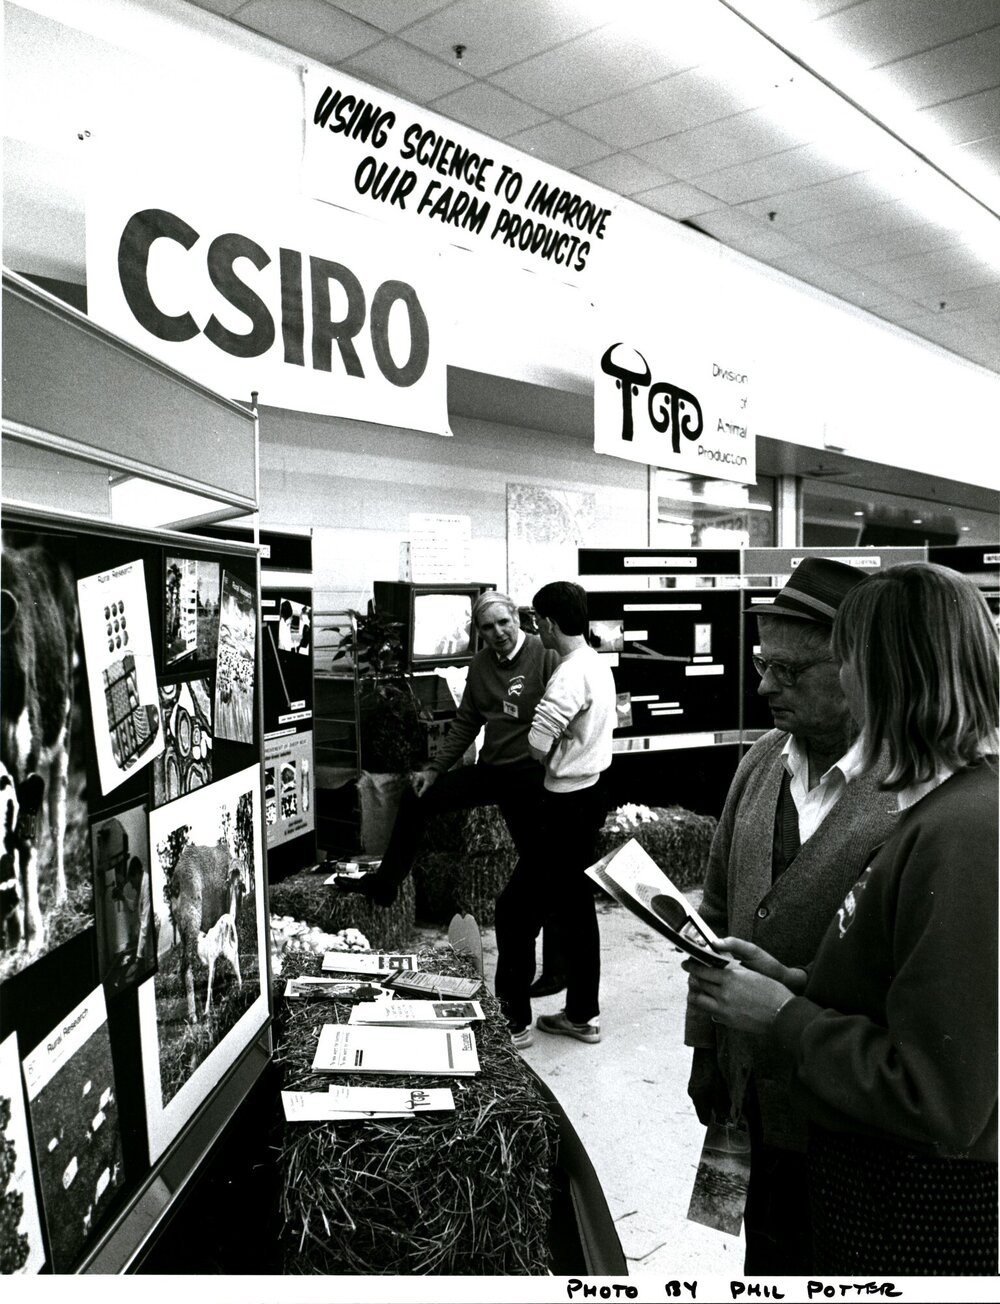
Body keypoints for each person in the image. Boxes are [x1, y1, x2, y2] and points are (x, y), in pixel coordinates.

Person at [687, 562, 998, 1276]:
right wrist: (786, 987)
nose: (767, 685)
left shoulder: (962, 828)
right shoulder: (933, 806)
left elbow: (941, 1096)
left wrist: (785, 1015)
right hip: (825, 1149)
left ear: (889, 671)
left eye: (843, 662)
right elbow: (895, 987)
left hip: (908, 1204)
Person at [684, 556, 897, 1275]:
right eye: (762, 663)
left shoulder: (910, 793)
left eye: (791, 670)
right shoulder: (761, 762)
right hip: (754, 1101)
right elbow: (714, 908)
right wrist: (707, 1047)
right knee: (769, 1258)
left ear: (858, 667)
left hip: (853, 1122)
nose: (764, 685)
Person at [335, 592, 560, 915]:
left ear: (516, 617)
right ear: (478, 632)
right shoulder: (481, 664)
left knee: (535, 857)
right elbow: (467, 722)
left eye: (503, 622)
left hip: (531, 772)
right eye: (487, 627)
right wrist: (434, 769)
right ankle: (385, 885)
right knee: (417, 797)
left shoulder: (545, 654)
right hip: (494, 769)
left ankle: (541, 921)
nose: (498, 633)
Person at [496, 580, 616, 1049]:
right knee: (575, 908)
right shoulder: (597, 664)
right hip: (590, 798)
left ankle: (513, 1023)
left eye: (533, 621)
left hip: (562, 805)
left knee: (514, 912)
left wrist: (544, 749)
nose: (533, 629)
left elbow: (537, 742)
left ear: (547, 622)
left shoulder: (567, 674)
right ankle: (583, 1015)